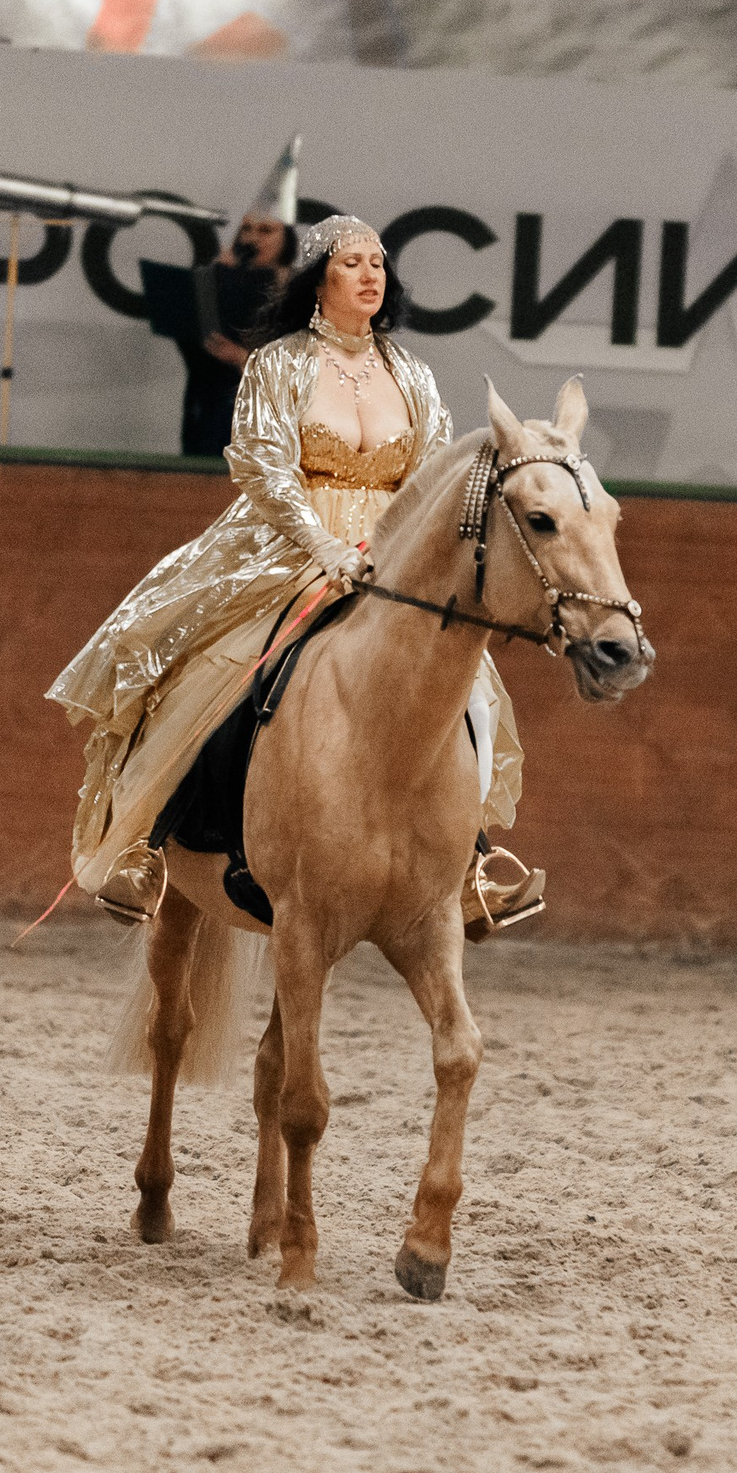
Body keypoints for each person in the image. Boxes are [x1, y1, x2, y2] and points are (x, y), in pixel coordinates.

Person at [49, 213, 542, 936]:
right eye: (352, 263)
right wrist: (323, 546)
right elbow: (264, 467)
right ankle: (148, 846)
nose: (372, 275)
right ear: (319, 279)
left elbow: (433, 475)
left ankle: (470, 864)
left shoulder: (411, 374)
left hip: (390, 557)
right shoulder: (276, 364)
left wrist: (400, 554)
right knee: (211, 672)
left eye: (379, 262)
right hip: (285, 546)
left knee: (469, 686)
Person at [150, 139, 298, 458]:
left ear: (286, 237)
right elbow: (196, 343)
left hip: (273, 423)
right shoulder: (218, 278)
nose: (253, 238)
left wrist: (243, 359)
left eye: (265, 230)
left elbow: (312, 370)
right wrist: (213, 284)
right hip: (212, 409)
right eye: (246, 229)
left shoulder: (303, 291)